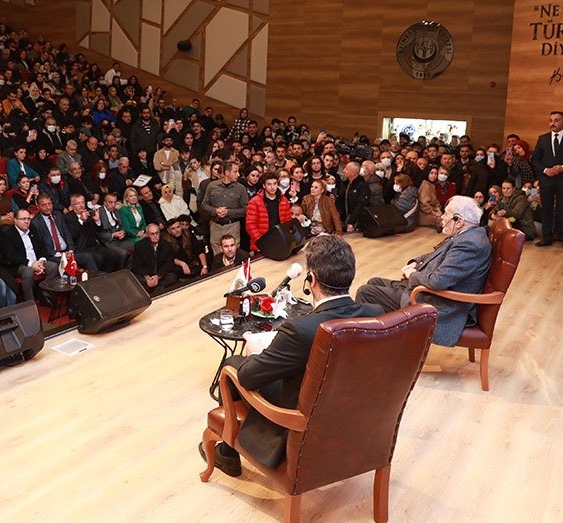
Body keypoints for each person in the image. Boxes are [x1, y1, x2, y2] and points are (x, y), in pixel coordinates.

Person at [203, 234, 384, 475]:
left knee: (234, 365)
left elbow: (247, 378)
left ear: (312, 279)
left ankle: (227, 453)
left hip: (302, 418)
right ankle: (227, 452)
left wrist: (258, 351)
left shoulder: (301, 330)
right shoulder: (375, 313)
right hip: (353, 410)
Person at [355, 195, 492, 347]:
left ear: (458, 221)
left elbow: (438, 281)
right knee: (374, 282)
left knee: (365, 292)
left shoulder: (470, 244)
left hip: (441, 306)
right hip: (428, 293)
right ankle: (389, 340)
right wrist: (415, 262)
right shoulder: (466, 235)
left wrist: (412, 275)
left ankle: (369, 348)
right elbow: (436, 254)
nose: (441, 216)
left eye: (446, 213)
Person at [531, 111, 563, 252]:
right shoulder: (543, 139)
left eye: (556, 120)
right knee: (546, 208)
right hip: (546, 180)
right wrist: (545, 170)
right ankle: (546, 237)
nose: (552, 123)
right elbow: (535, 159)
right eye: (551, 120)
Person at [0, 208, 59, 303]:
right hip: (18, 264)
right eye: (23, 219)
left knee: (53, 266)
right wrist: (31, 264)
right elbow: (11, 256)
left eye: (28, 219)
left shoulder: (33, 229)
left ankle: (46, 296)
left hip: (36, 261)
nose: (26, 222)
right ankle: (30, 302)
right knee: (28, 271)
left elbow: (42, 247)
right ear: (15, 220)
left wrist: (41, 261)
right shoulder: (8, 234)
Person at [63, 193, 123, 273]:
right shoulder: (68, 218)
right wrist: (81, 221)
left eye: (83, 202)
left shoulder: (88, 213)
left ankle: (106, 275)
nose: (81, 205)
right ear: (72, 205)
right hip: (81, 248)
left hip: (94, 245)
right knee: (99, 258)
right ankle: (97, 278)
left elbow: (98, 231)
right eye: (78, 203)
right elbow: (73, 235)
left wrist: (97, 221)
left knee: (113, 255)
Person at [202, 161, 249, 254]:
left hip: (232, 226)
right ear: (227, 173)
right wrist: (215, 211)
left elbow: (246, 209)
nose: (238, 174)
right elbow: (204, 205)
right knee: (218, 256)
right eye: (235, 172)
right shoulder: (212, 186)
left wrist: (228, 212)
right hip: (216, 226)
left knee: (233, 255)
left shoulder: (241, 188)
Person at [129, 223, 178, 294]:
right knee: (134, 280)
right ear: (148, 235)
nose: (155, 236)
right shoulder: (139, 245)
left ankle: (155, 288)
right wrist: (147, 277)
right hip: (146, 275)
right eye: (152, 234)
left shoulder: (166, 245)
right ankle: (156, 287)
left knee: (173, 277)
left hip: (159, 275)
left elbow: (169, 264)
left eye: (157, 233)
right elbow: (136, 265)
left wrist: (158, 277)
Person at [337, 162, 370, 233]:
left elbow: (360, 205)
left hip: (356, 220)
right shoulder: (345, 183)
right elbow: (340, 199)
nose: (343, 170)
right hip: (343, 218)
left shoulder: (362, 186)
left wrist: (351, 222)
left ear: (352, 173)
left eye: (346, 169)